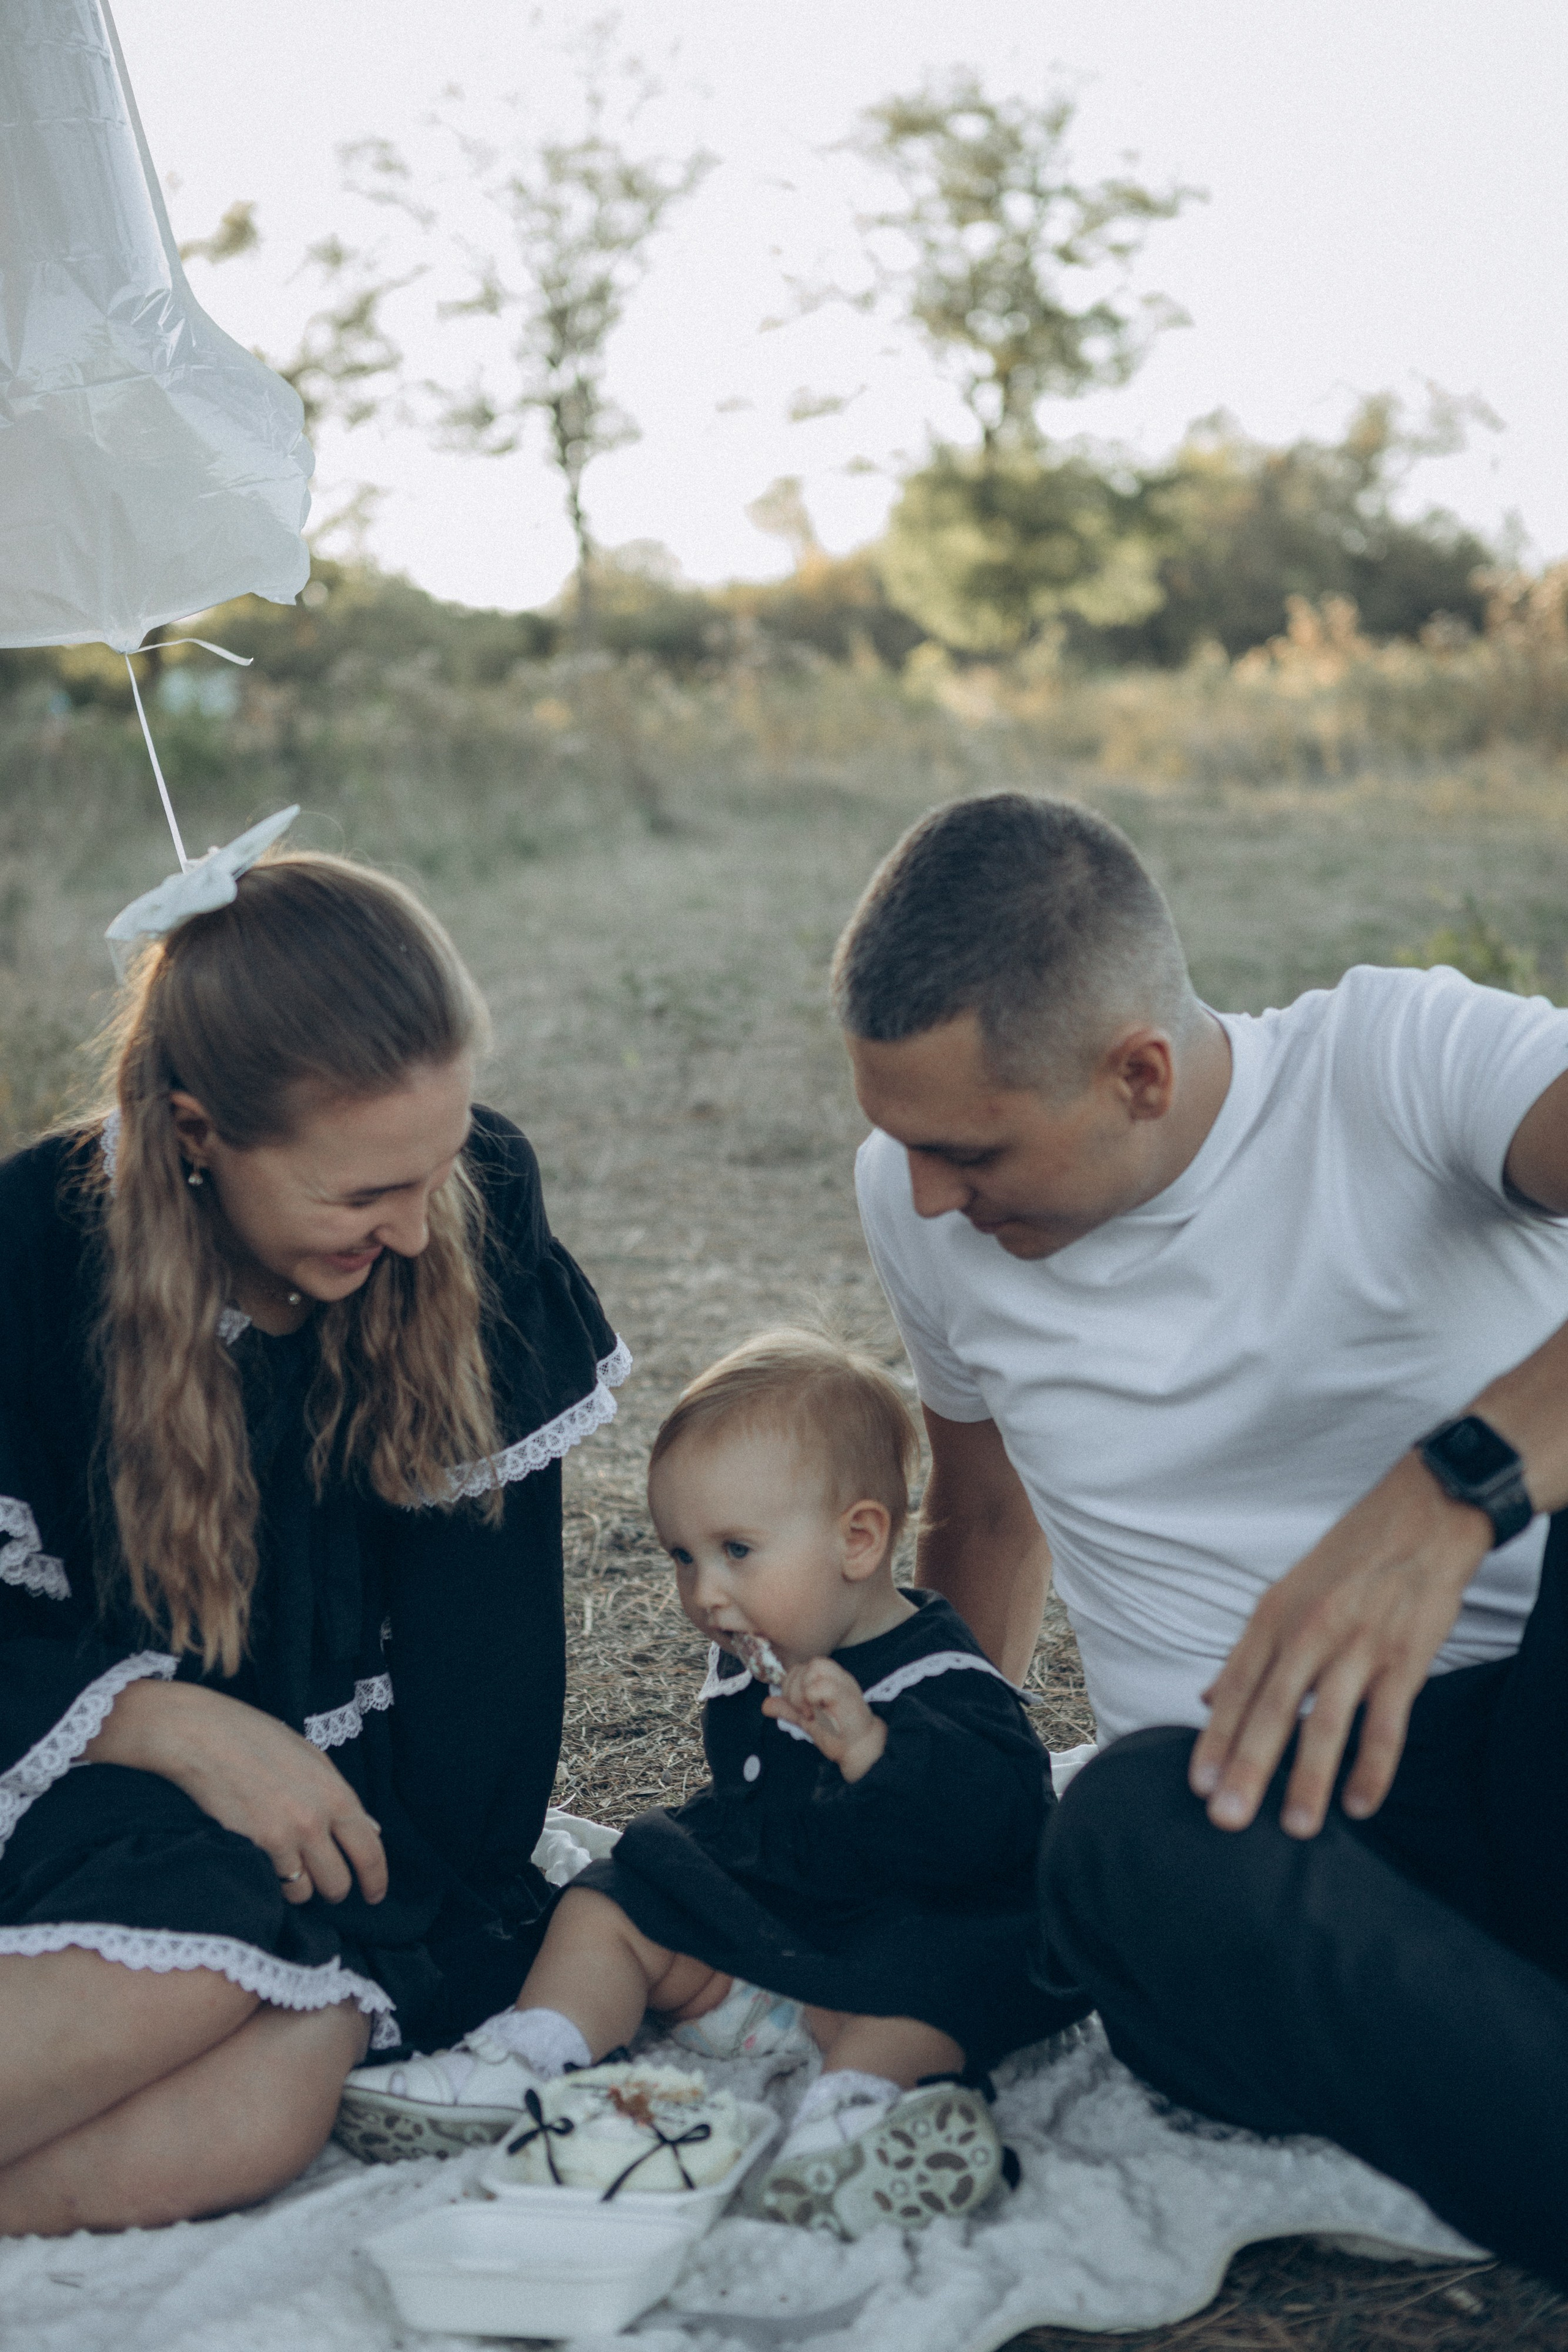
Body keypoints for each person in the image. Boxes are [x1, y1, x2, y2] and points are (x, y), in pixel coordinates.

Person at [834, 792, 1568, 2285]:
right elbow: (980, 1513)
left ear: (1139, 1074)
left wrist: (1455, 1486)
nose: (921, 1192)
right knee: (1107, 1835)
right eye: (897, 1140)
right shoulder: (916, 1201)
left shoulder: (1396, 1063)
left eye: (967, 1149)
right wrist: (926, 1796)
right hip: (1262, 1859)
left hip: (1536, 1754)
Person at [0, 850, 628, 2235]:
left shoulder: (467, 1206)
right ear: (195, 1133)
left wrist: (433, 1906)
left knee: (284, 2091)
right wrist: (168, 1725)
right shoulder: (28, 1257)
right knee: (214, 1920)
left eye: (436, 1164)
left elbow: (490, 1657)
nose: (412, 1228)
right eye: (359, 1197)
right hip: (73, 1790)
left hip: (352, 1829)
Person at [339, 1330, 1074, 2237]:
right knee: (611, 1900)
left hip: (902, 1929)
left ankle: (859, 2125)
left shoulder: (939, 1678)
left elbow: (998, 1833)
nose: (703, 1594)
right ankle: (531, 2052)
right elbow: (748, 1810)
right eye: (682, 1556)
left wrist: (876, 1752)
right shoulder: (754, 1658)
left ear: (858, 1539)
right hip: (776, 1927)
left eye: (735, 1551)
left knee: (932, 1985)